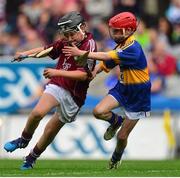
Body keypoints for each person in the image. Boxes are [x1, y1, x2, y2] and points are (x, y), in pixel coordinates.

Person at [4, 11, 97, 170]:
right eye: (65, 35)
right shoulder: (66, 41)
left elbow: (83, 76)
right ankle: (23, 139)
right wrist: (25, 54)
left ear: (83, 27)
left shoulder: (90, 45)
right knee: (37, 113)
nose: (68, 38)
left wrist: (56, 72)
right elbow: (47, 49)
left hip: (75, 96)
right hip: (58, 85)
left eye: (71, 34)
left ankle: (32, 157)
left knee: (50, 131)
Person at [63, 12, 151, 169]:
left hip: (139, 94)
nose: (115, 34)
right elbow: (106, 64)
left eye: (118, 31)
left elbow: (106, 56)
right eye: (114, 30)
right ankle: (116, 121)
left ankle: (116, 157)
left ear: (129, 30)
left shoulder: (133, 48)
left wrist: (83, 53)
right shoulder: (121, 46)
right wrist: (94, 72)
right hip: (123, 88)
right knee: (98, 111)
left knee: (122, 136)